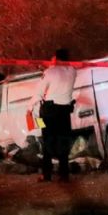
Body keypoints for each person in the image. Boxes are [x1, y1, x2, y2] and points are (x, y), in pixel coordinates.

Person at [30, 48, 77, 182]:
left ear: (56, 58)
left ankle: (46, 174)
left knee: (47, 141)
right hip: (64, 112)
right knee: (63, 142)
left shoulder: (50, 72)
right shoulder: (73, 71)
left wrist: (29, 106)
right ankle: (64, 174)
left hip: (48, 112)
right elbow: (60, 78)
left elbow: (39, 93)